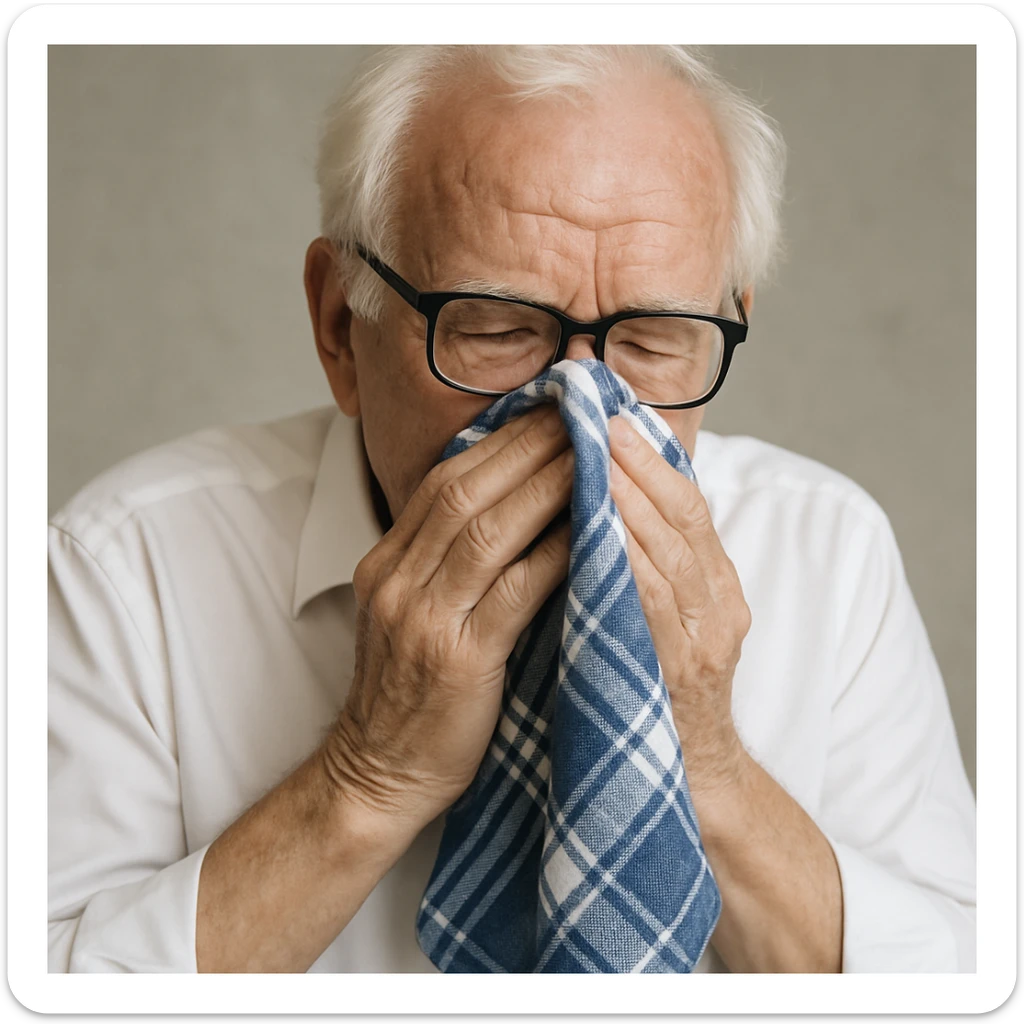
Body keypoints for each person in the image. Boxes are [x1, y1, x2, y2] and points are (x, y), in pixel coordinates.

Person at [48, 44, 976, 974]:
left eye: (653, 342)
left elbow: (958, 976)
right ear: (340, 326)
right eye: (495, 330)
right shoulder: (128, 572)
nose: (580, 406)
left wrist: (707, 759)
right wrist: (368, 777)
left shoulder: (827, 550)